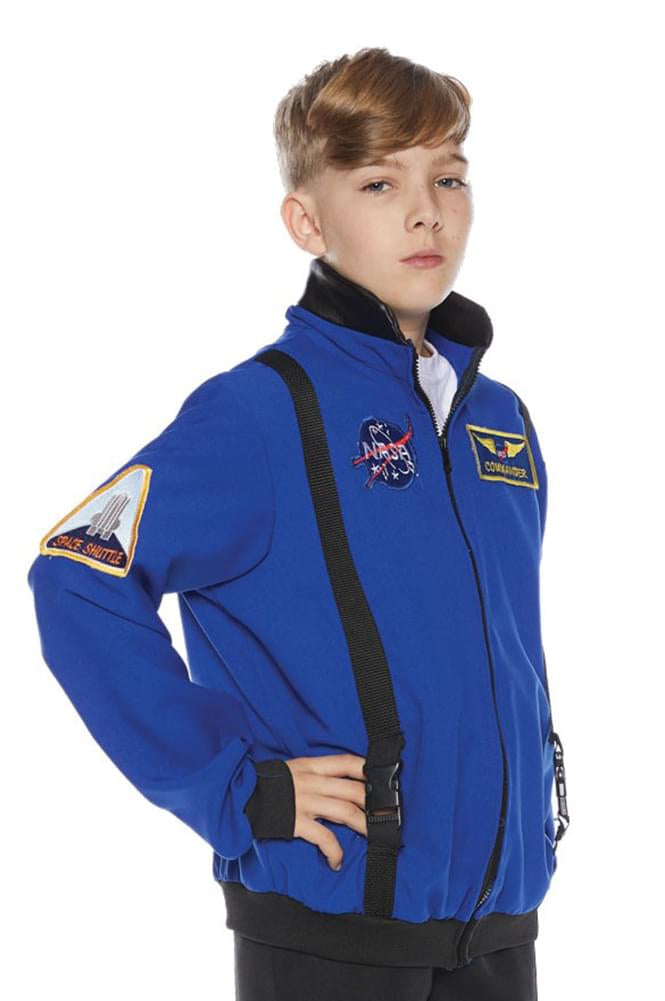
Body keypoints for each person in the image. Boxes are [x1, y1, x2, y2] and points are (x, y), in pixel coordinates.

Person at [27, 46, 569, 1001]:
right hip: (329, 927)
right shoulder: (259, 413)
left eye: (447, 177)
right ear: (307, 221)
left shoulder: (499, 420)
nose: (425, 211)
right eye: (378, 183)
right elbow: (77, 573)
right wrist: (233, 784)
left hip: (496, 925)